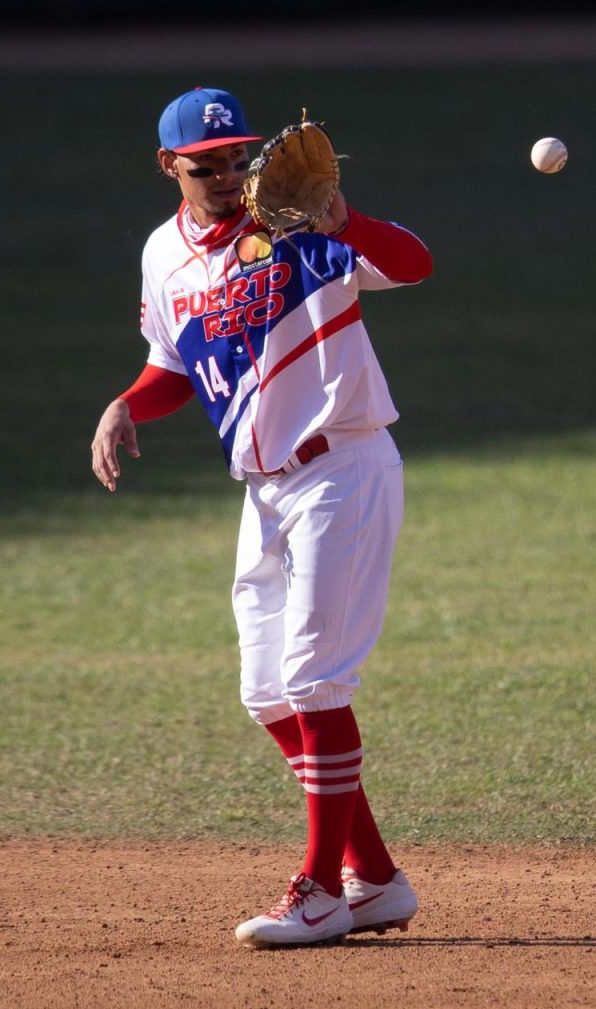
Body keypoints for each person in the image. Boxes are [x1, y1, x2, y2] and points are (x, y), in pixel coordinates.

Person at [89, 86, 433, 947]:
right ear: (169, 165)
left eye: (238, 157)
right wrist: (128, 403)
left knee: (316, 681)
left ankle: (320, 890)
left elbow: (416, 264)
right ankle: (378, 879)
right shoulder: (162, 255)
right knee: (266, 692)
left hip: (342, 468)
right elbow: (173, 364)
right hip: (265, 489)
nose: (228, 174)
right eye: (207, 165)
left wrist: (343, 220)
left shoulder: (298, 228)